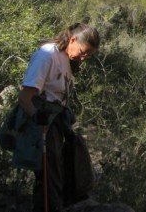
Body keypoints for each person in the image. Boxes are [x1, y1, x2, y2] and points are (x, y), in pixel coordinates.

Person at [18, 23, 100, 212]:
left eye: (88, 55)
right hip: (43, 123)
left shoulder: (67, 59)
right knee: (48, 176)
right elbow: (24, 98)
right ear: (72, 40)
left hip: (56, 121)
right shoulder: (47, 55)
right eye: (83, 52)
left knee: (63, 172)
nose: (84, 57)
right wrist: (38, 119)